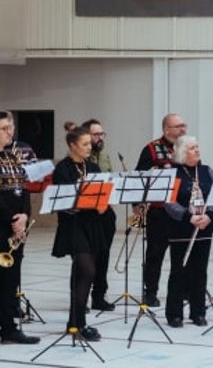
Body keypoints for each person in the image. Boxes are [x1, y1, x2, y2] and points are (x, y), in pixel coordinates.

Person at [51, 127, 106, 341]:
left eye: (89, 144)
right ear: (72, 146)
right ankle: (77, 323)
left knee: (81, 274)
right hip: (73, 226)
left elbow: (102, 193)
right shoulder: (63, 169)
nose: (89, 147)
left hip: (92, 225)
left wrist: (102, 204)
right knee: (87, 270)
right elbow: (64, 202)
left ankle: (75, 323)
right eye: (84, 144)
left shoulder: (92, 167)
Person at [164, 136, 213, 328]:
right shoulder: (172, 173)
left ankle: (198, 312)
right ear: (182, 152)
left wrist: (210, 215)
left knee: (200, 271)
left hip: (204, 227)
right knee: (179, 271)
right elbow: (169, 202)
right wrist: (188, 217)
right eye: (192, 148)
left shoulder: (206, 171)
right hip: (181, 227)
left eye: (197, 146)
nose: (197, 150)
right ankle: (174, 313)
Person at [135, 113, 188, 307]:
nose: (183, 129)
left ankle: (182, 291)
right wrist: (137, 203)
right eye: (179, 126)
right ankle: (150, 292)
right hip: (159, 211)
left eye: (184, 125)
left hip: (182, 211)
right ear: (167, 130)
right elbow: (139, 176)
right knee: (155, 255)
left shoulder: (188, 147)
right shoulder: (151, 149)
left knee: (181, 255)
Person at [0, 111, 39, 344]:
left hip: (18, 222)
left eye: (10, 127)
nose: (9, 132)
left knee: (11, 275)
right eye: (4, 128)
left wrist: (24, 215)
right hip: (3, 221)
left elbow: (25, 187)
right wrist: (12, 219)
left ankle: (9, 327)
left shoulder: (20, 151)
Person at [81, 118, 115, 312]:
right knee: (87, 259)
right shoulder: (82, 158)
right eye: (96, 134)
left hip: (105, 212)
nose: (100, 137)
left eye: (102, 133)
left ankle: (99, 296)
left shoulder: (105, 155)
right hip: (87, 214)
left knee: (104, 256)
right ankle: (81, 298)